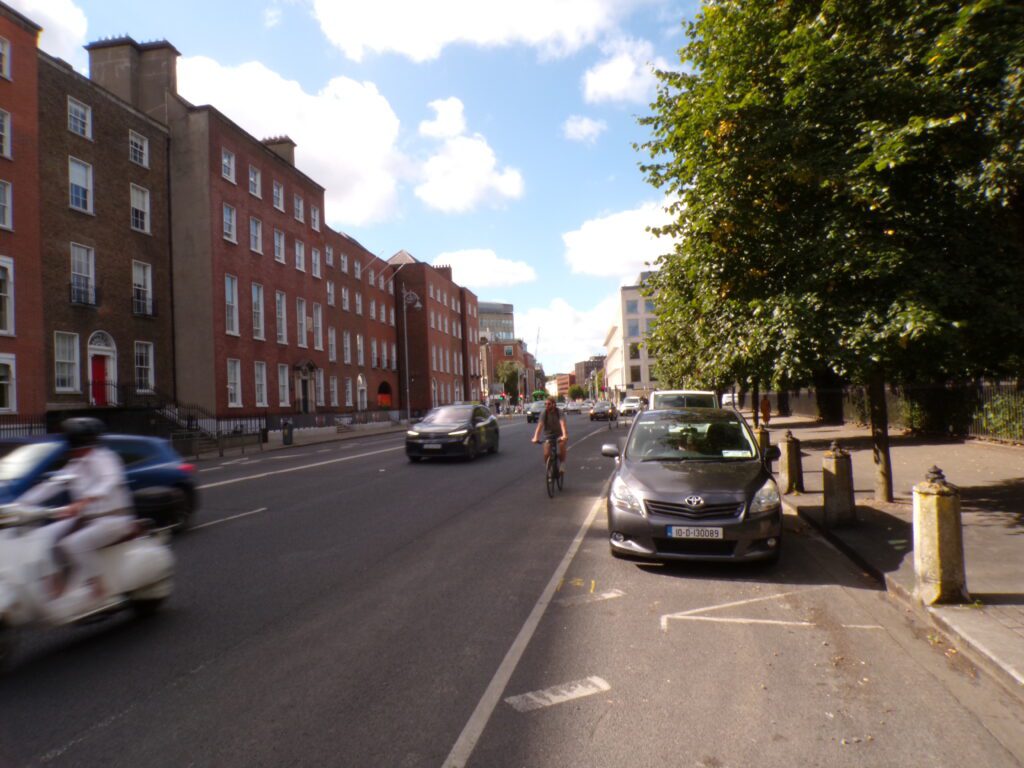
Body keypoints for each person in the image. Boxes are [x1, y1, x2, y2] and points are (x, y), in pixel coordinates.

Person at [20, 418, 135, 603]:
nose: (72, 448)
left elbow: (109, 480)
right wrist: (21, 504)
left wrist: (83, 501)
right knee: (41, 537)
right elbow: (52, 486)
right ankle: (55, 586)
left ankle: (100, 585)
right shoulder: (76, 464)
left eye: (74, 441)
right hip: (86, 519)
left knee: (74, 544)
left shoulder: (104, 458)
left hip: (114, 519)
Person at [531, 397, 568, 475]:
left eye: (549, 404)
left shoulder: (559, 412)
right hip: (548, 435)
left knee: (561, 444)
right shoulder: (544, 413)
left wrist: (564, 435)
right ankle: (549, 469)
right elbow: (540, 426)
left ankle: (562, 464)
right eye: (545, 404)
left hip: (559, 434)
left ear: (554, 404)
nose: (546, 406)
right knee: (546, 453)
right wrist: (535, 437)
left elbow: (562, 424)